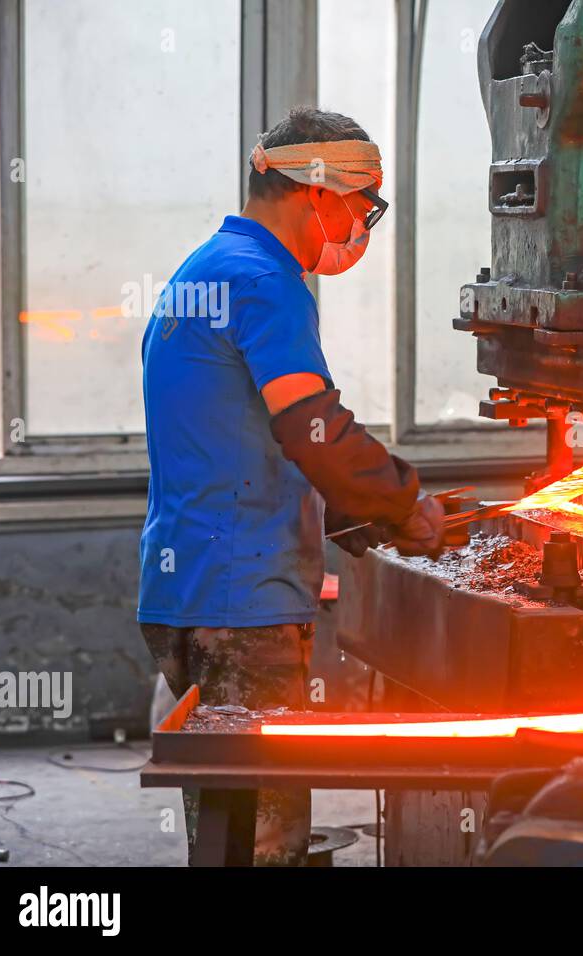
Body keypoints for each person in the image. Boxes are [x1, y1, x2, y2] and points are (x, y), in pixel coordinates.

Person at [137, 106, 444, 865]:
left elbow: (234, 439)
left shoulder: (202, 270)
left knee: (224, 831)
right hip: (243, 605)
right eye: (361, 205)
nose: (361, 225)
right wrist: (405, 503)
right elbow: (312, 427)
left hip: (190, 585)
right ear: (316, 191)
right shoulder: (265, 282)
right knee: (265, 843)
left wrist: (349, 519)